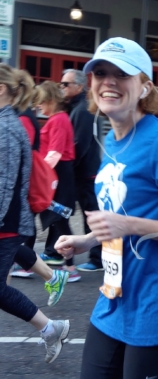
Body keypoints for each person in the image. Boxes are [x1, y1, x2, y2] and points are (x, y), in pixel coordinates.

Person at [54, 37, 158, 379]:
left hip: (154, 306)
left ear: (143, 87)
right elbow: (122, 215)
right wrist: (88, 241)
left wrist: (129, 227)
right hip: (113, 300)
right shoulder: (110, 139)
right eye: (100, 73)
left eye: (122, 74)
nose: (108, 81)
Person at [0, 63, 70, 363]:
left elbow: (4, 186)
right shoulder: (8, 122)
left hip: (7, 223)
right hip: (11, 222)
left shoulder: (6, 126)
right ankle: (50, 325)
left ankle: (50, 328)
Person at [36, 81, 81, 282]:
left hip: (58, 175)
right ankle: (66, 264)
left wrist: (39, 175)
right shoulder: (58, 119)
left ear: (51, 101)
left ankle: (70, 267)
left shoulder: (59, 120)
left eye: (41, 101)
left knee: (60, 220)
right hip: (57, 173)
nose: (38, 106)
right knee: (58, 220)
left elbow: (54, 153)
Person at [60, 69, 103, 272]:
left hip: (86, 173)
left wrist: (68, 167)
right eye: (61, 84)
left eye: (66, 84)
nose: (62, 88)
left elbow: (80, 144)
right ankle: (55, 251)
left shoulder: (83, 109)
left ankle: (98, 259)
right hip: (82, 172)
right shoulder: (75, 107)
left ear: (79, 86)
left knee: (92, 215)